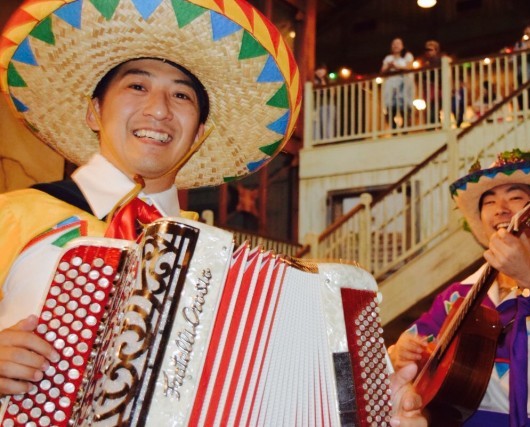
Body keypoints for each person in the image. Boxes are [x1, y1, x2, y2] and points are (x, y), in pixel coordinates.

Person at [0, 2, 427, 423]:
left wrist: (374, 414)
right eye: (137, 86)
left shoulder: (225, 270)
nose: (159, 109)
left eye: (181, 95)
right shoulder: (17, 215)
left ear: (199, 133)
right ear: (95, 110)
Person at [388, 149, 530, 426]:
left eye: (515, 197)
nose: (500, 208)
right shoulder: (455, 297)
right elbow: (410, 349)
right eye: (489, 201)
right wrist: (401, 353)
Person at [381, 37, 415, 130]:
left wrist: (396, 66)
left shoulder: (407, 56)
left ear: (402, 46)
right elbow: (382, 71)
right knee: (391, 108)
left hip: (404, 84)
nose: (395, 45)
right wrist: (389, 67)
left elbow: (409, 67)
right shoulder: (388, 58)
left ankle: (405, 128)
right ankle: (394, 128)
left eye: (398, 43)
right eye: (393, 44)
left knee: (404, 106)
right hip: (391, 86)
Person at [313, 62, 336, 140]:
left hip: (330, 103)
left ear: (325, 70)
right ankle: (324, 139)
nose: (320, 71)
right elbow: (320, 91)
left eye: (322, 69)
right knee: (322, 121)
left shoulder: (328, 79)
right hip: (320, 104)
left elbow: (332, 92)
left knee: (330, 121)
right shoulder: (314, 80)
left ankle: (330, 138)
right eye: (318, 70)